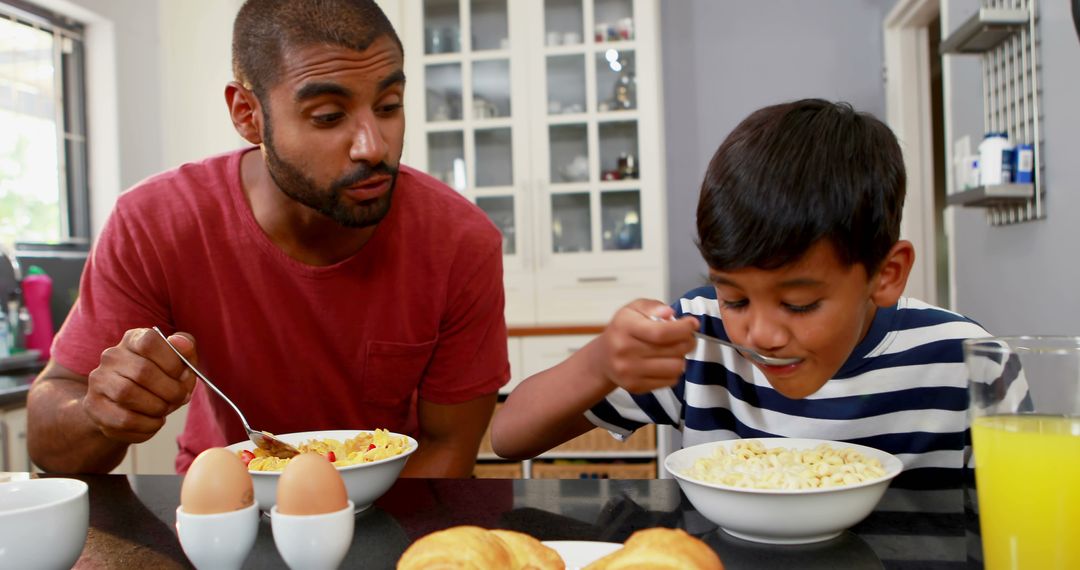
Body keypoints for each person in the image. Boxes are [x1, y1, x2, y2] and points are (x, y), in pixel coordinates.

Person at [26, 0, 509, 476]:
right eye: (328, 116)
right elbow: (50, 440)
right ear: (247, 114)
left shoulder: (459, 243)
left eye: (388, 107)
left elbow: (449, 447)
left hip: (387, 508)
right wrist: (101, 412)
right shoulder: (157, 223)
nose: (373, 146)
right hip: (222, 510)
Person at [491, 98, 1028, 489]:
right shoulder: (697, 341)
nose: (762, 335)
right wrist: (602, 361)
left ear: (886, 274)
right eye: (736, 298)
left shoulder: (968, 363)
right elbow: (509, 437)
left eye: (799, 304)